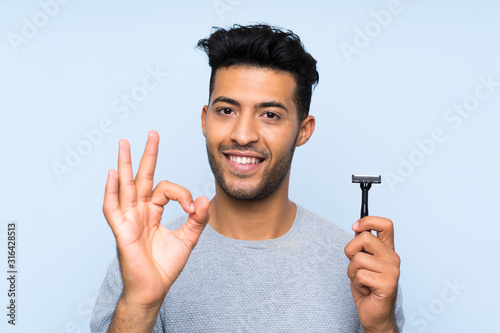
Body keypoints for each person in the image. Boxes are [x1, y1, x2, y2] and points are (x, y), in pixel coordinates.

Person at [91, 24, 404, 332]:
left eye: (270, 115)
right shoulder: (146, 254)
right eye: (227, 110)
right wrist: (140, 303)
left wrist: (380, 327)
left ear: (303, 131)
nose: (242, 135)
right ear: (205, 119)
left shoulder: (361, 268)